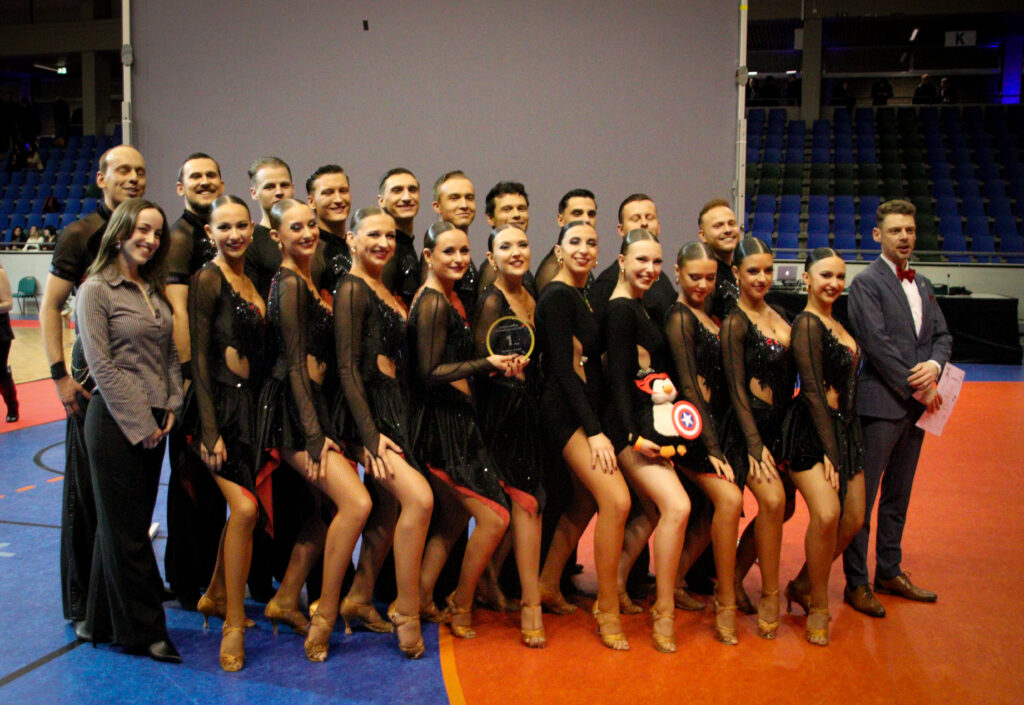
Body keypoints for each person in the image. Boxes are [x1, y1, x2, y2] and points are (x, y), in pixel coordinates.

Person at [256, 198, 372, 662]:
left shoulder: (306, 278)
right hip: (292, 414)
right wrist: (312, 434)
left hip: (312, 408)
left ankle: (286, 598)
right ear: (276, 236)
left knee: (325, 511)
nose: (306, 233)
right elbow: (294, 367)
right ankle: (323, 617)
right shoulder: (287, 284)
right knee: (356, 503)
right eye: (295, 228)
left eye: (310, 225)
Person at [41, 144, 146, 638]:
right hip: (90, 385)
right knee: (87, 498)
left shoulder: (145, 233)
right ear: (101, 178)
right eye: (122, 170)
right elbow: (50, 307)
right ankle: (84, 599)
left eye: (139, 170)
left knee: (129, 500)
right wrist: (59, 375)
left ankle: (126, 587)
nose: (133, 177)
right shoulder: (80, 234)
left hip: (137, 384)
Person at [75, 198, 183, 663]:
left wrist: (172, 404)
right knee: (130, 534)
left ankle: (98, 621)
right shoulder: (96, 289)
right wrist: (143, 423)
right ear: (119, 232)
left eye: (157, 233)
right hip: (116, 423)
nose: (150, 240)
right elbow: (102, 366)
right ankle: (145, 632)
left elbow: (169, 355)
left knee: (124, 526)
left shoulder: (150, 289)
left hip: (154, 421)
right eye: (142, 230)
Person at [409, 220, 522, 640]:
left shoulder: (448, 297)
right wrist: (485, 363)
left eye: (463, 251)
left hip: (458, 420)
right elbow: (428, 373)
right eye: (448, 252)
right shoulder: (433, 303)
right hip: (441, 429)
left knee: (455, 516)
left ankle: (422, 598)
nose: (458, 259)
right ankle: (461, 602)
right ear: (428, 256)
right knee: (495, 518)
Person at [841, 199, 951, 617]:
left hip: (916, 410)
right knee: (863, 501)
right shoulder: (866, 283)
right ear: (877, 235)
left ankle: (889, 570)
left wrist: (934, 367)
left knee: (898, 496)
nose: (904, 237)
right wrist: (919, 387)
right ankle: (856, 582)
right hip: (881, 405)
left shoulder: (923, 283)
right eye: (895, 230)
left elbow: (942, 337)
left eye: (909, 230)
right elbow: (877, 345)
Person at [333, 206, 433, 659]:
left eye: (389, 236)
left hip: (394, 408)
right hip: (367, 414)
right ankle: (406, 611)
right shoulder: (352, 288)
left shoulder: (381, 285)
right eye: (372, 235)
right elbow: (347, 369)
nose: (383, 243)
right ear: (352, 240)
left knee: (390, 507)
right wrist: (369, 436)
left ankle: (359, 596)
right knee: (420, 499)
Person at [534, 221, 628, 650]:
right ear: (558, 250)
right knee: (616, 500)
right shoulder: (557, 296)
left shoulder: (580, 294)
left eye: (591, 242)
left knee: (586, 501)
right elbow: (562, 369)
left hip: (579, 411)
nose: (584, 249)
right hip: (563, 413)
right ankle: (607, 608)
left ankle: (547, 584)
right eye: (575, 242)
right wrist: (594, 432)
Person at [186, 196, 267, 671]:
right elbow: (197, 358)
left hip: (248, 415)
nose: (234, 234)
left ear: (252, 229)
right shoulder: (207, 278)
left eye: (241, 225)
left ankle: (216, 595)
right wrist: (209, 430)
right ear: (209, 232)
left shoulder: (250, 280)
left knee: (245, 513)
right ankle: (233, 623)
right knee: (245, 509)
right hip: (215, 413)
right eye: (224, 227)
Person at [602, 230, 691, 653]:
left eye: (656, 262)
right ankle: (664, 611)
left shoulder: (636, 304)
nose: (650, 269)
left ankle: (618, 584)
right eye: (641, 260)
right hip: (627, 430)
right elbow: (618, 383)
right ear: (621, 261)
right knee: (678, 507)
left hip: (644, 425)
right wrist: (635, 437)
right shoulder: (621, 310)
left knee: (652, 512)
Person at [779, 247, 866, 645]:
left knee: (853, 519)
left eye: (840, 277)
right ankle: (817, 603)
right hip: (811, 432)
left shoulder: (838, 322)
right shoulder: (807, 323)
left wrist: (844, 438)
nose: (833, 283)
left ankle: (801, 583)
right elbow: (812, 389)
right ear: (807, 279)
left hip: (847, 430)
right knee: (827, 514)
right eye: (825, 275)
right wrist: (830, 449)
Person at [664, 241, 744, 644]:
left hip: (719, 426)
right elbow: (690, 386)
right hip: (692, 430)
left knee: (708, 510)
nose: (702, 284)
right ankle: (725, 601)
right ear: (678, 273)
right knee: (729, 500)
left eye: (710, 278)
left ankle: (676, 580)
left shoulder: (707, 312)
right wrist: (712, 448)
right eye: (694, 276)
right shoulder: (679, 317)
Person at [472, 224, 546, 647]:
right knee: (526, 502)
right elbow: (481, 363)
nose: (516, 251)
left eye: (522, 244)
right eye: (505, 246)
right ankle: (530, 606)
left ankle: (489, 581)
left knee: (523, 503)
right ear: (491, 257)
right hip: (503, 415)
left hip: (530, 411)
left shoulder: (530, 294)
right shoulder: (491, 300)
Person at [720, 236, 795, 640]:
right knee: (773, 501)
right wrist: (753, 444)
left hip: (780, 428)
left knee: (783, 509)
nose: (762, 278)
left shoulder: (780, 313)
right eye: (753, 271)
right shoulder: (735, 322)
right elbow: (735, 390)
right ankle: (769, 593)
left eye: (768, 270)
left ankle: (733, 576)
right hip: (745, 429)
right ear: (737, 273)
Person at [164, 152, 226, 612]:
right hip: (194, 381)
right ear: (181, 187)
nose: (204, 182)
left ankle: (210, 574)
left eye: (211, 176)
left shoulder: (216, 232)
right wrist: (188, 378)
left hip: (221, 382)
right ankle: (188, 580)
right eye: (195, 177)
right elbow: (178, 312)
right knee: (190, 483)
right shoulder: (180, 238)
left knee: (214, 486)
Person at [589, 194, 675, 324]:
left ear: (658, 226)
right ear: (621, 229)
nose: (644, 223)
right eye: (635, 219)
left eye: (649, 217)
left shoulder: (660, 277)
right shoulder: (607, 283)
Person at [244, 157, 295, 301]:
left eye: (284, 185)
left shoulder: (309, 237)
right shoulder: (250, 241)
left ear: (293, 188)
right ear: (254, 193)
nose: (279, 192)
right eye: (270, 187)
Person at [475, 182, 536, 296]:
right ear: (490, 218)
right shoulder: (493, 271)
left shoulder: (516, 262)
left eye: (521, 208)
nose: (516, 214)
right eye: (507, 209)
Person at [431, 171, 479, 312]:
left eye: (469, 198)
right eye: (454, 198)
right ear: (437, 206)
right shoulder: (435, 255)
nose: (464, 205)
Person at [534, 188, 598, 294]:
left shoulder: (576, 260)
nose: (586, 219)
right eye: (577, 213)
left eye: (591, 214)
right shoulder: (552, 271)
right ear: (561, 220)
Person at [306, 164, 352, 298]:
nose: (338, 199)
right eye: (328, 193)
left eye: (343, 191)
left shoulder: (357, 246)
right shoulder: (310, 250)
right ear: (311, 201)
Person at [377, 168, 422, 307]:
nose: (407, 197)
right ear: (381, 201)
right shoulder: (383, 249)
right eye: (397, 190)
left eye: (412, 190)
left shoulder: (405, 244)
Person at [697, 198, 742, 323]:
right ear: (702, 235)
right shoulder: (705, 276)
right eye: (718, 226)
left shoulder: (739, 270)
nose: (728, 230)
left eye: (732, 224)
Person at [0, 260, 18, 422]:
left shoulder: (0, 273)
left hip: (1, 332)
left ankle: (12, 407)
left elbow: (8, 304)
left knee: (0, 373)